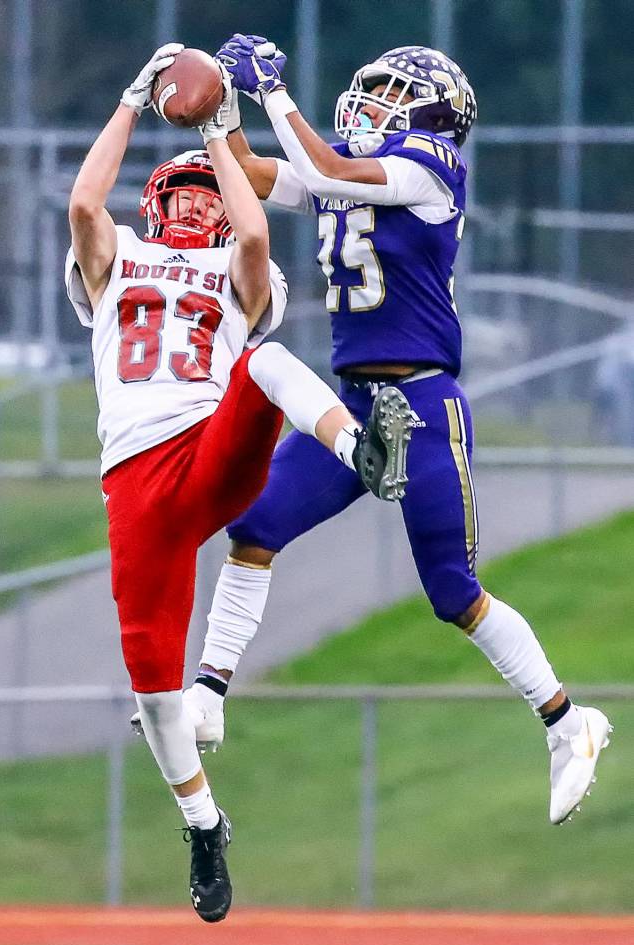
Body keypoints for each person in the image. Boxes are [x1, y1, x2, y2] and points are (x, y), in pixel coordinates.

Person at [184, 37, 612, 826]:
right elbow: (253, 175)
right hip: (349, 406)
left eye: (387, 90)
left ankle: (566, 722)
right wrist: (221, 111)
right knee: (252, 527)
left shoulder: (430, 164)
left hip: (420, 403)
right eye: (369, 86)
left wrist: (273, 90)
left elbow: (331, 170)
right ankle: (205, 696)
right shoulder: (348, 168)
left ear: (432, 109)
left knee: (452, 592)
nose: (369, 101)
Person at [65, 43, 411, 923]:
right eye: (179, 194)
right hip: (134, 485)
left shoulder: (239, 262)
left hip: (209, 451)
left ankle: (358, 451)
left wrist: (222, 129)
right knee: (150, 685)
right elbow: (81, 201)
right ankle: (203, 824)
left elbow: (254, 231)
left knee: (264, 362)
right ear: (152, 203)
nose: (193, 205)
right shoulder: (115, 261)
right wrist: (130, 100)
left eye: (206, 194)